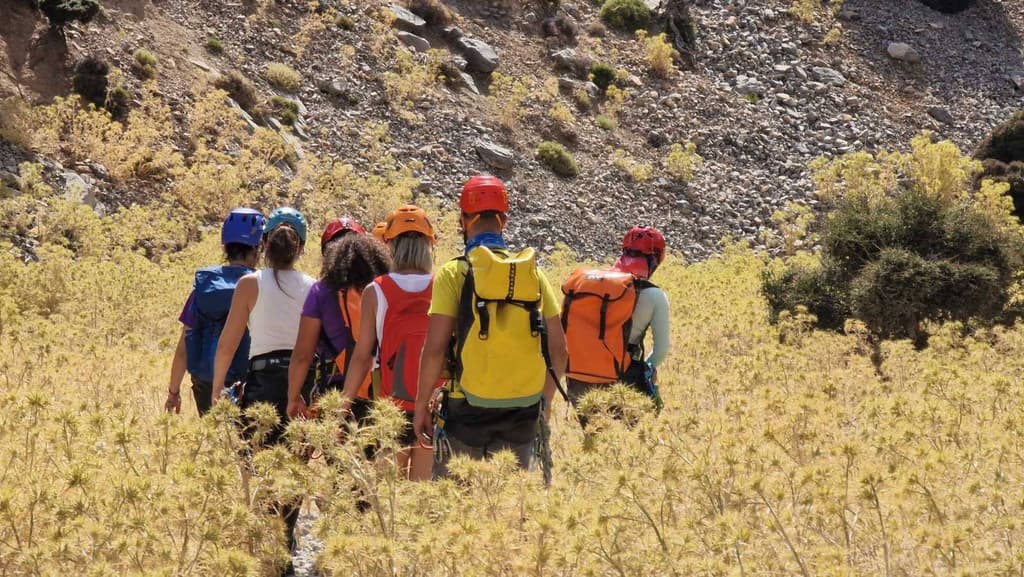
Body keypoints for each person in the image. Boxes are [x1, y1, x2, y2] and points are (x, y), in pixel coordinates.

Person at [413, 175, 568, 479]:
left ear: (463, 220)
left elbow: (434, 351)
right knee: (509, 507)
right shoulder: (533, 274)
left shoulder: (453, 273)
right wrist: (543, 405)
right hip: (523, 411)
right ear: (504, 221)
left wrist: (421, 406)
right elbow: (560, 351)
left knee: (455, 502)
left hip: (466, 409)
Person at [210, 207, 315, 575]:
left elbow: (228, 342)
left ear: (264, 243)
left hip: (261, 381)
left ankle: (263, 545)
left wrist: (216, 391)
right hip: (301, 384)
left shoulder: (249, 284)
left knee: (261, 464)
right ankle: (286, 540)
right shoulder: (312, 286)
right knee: (295, 463)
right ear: (300, 247)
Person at [341, 205, 437, 481]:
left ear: (391, 245)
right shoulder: (442, 284)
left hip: (390, 407)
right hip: (433, 408)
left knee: (387, 496)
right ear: (428, 245)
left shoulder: (376, 289)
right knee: (424, 499)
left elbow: (362, 356)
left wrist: (344, 404)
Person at [165, 208, 263, 415]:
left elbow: (184, 343)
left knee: (216, 441)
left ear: (225, 246)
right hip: (246, 384)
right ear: (258, 248)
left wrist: (173, 392)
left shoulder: (205, 285)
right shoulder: (259, 285)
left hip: (205, 383)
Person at [286, 233, 391, 424]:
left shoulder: (321, 291)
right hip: (380, 387)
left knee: (337, 452)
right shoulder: (383, 289)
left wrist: (293, 398)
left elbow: (303, 354)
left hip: (334, 391)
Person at [563, 226, 671, 412]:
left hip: (577, 379)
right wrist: (644, 372)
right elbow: (661, 351)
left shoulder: (595, 285)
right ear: (655, 259)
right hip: (621, 381)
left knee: (593, 436)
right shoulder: (654, 295)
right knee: (636, 433)